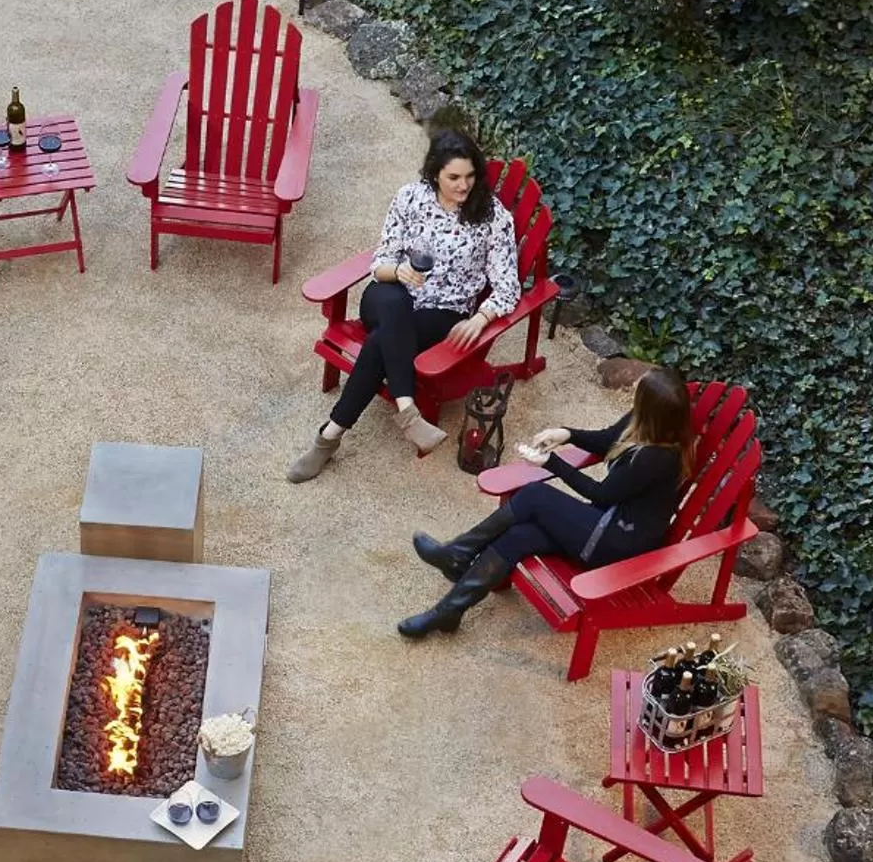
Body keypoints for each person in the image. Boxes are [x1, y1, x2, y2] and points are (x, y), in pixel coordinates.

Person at [288, 131, 521, 481]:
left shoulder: (492, 217)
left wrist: (482, 318)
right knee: (394, 309)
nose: (464, 186)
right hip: (389, 294)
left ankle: (328, 436)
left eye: (470, 176)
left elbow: (508, 286)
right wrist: (400, 271)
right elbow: (380, 262)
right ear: (434, 173)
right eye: (453, 177)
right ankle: (408, 410)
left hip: (443, 313)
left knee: (380, 341)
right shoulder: (410, 198)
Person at [396, 367, 694, 637]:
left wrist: (552, 463)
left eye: (639, 392)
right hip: (603, 523)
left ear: (650, 410)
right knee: (519, 536)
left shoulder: (656, 459)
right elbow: (607, 439)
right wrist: (566, 434)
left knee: (536, 496)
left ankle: (457, 553)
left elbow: (600, 494)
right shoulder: (645, 425)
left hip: (616, 545)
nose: (635, 388)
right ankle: (448, 612)